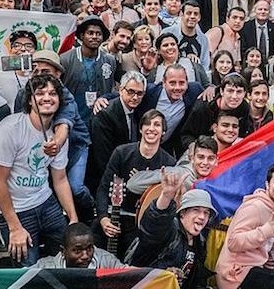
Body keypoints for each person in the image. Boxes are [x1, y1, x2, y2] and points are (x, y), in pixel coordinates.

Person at [0, 74, 78, 267]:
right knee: (27, 269)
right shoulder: (9, 130)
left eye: (52, 93)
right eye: (40, 93)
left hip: (45, 201)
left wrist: (73, 217)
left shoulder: (58, 134)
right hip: (16, 209)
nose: (47, 97)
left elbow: (60, 178)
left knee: (69, 258)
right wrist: (14, 228)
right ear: (30, 100)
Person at [96, 110, 177, 258]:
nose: (151, 128)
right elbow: (103, 188)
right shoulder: (121, 153)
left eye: (157, 125)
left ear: (163, 131)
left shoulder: (169, 162)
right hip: (113, 215)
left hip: (140, 224)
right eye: (147, 124)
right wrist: (103, 218)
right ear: (141, 129)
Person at [216, 164, 274, 289]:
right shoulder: (254, 207)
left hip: (257, 267)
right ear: (267, 184)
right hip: (236, 274)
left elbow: (270, 245)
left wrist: (270, 257)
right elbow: (233, 242)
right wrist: (264, 232)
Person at [129, 169, 216, 289]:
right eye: (196, 210)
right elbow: (153, 225)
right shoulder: (169, 230)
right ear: (182, 214)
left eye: (206, 213)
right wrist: (166, 196)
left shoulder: (199, 243)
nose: (202, 217)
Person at [88, 72, 147, 192]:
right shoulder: (105, 114)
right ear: (120, 90)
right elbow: (102, 156)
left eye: (139, 93)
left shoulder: (138, 111)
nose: (135, 97)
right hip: (103, 178)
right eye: (130, 91)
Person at [60, 15, 117, 127]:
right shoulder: (65, 59)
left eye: (98, 34)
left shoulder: (110, 60)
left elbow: (116, 88)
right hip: (73, 120)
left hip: (100, 120)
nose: (95, 37)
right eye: (90, 33)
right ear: (82, 36)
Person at [137, 64, 205, 157]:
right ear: (164, 82)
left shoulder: (194, 90)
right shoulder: (149, 92)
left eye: (181, 83)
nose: (177, 88)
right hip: (139, 145)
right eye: (172, 83)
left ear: (187, 82)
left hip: (166, 149)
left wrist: (211, 87)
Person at [126, 135, 219, 196]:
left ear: (216, 161)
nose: (205, 162)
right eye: (201, 157)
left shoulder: (214, 182)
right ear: (192, 158)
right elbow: (132, 184)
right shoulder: (177, 173)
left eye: (210, 158)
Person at [34, 222, 127, 269]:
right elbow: (20, 278)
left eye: (89, 248)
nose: (85, 256)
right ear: (63, 251)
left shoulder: (107, 261)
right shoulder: (45, 268)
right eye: (78, 251)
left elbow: (131, 276)